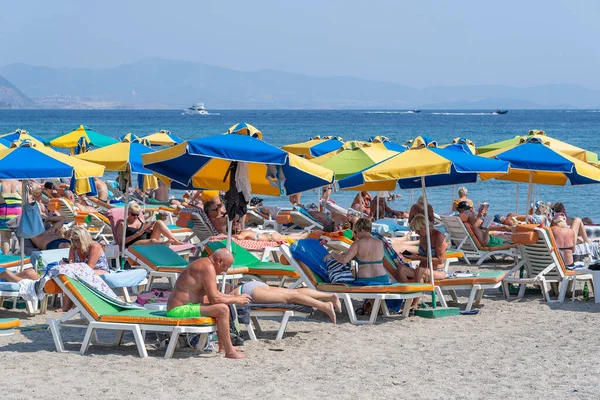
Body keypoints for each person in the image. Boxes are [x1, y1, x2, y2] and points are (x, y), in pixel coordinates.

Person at [166, 249, 249, 359]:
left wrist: (235, 298)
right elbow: (215, 298)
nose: (225, 271)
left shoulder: (206, 264)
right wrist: (236, 300)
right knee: (223, 309)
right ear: (219, 261)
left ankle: (223, 347)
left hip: (187, 306)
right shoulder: (207, 267)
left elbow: (215, 294)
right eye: (226, 266)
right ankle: (229, 351)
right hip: (178, 310)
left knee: (223, 307)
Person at [396, 215, 447, 309]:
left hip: (437, 271)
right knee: (401, 269)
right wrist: (411, 256)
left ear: (424, 226)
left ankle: (414, 303)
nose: (417, 232)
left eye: (418, 230)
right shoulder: (423, 237)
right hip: (422, 269)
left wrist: (418, 258)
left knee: (420, 271)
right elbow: (422, 255)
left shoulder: (438, 236)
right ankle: (409, 297)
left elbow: (440, 260)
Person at [231, 281, 340, 324]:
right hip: (251, 285)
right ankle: (329, 296)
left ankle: (324, 305)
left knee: (289, 297)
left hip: (247, 291)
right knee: (293, 291)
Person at [323, 218, 390, 285]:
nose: (356, 235)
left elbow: (344, 260)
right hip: (382, 278)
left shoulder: (357, 243)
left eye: (356, 232)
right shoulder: (380, 243)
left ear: (362, 230)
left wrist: (333, 254)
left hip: (365, 280)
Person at [205, 201, 308, 242]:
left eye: (219, 207)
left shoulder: (214, 220)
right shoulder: (217, 220)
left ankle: (301, 236)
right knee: (277, 236)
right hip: (241, 237)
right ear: (209, 213)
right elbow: (236, 218)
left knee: (277, 236)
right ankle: (301, 237)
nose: (219, 210)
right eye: (216, 209)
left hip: (243, 235)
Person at [119, 201, 186, 247]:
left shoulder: (140, 220)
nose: (135, 217)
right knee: (151, 241)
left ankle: (175, 241)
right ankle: (163, 244)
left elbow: (144, 230)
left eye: (137, 214)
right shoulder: (123, 224)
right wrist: (135, 235)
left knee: (158, 222)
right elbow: (121, 242)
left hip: (148, 240)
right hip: (134, 244)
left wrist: (149, 230)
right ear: (128, 213)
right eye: (133, 214)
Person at [0, 179, 22, 255]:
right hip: (17, 211)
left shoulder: (1, 184)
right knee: (20, 236)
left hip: (4, 212)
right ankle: (21, 256)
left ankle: (6, 256)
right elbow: (26, 200)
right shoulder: (19, 184)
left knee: (5, 237)